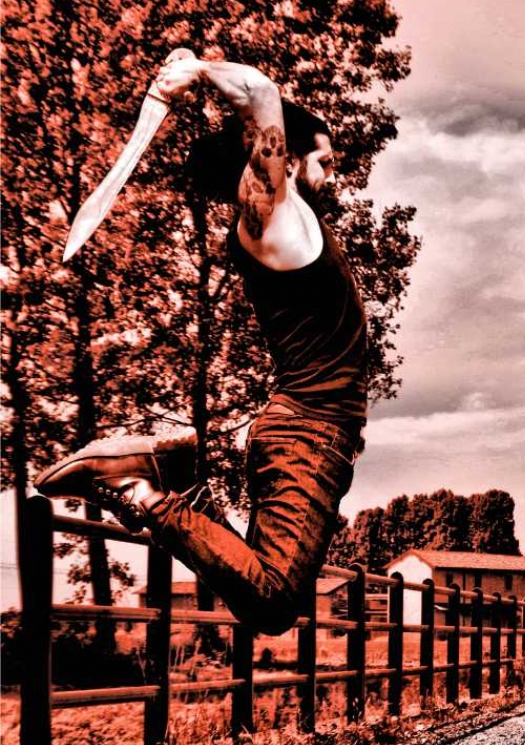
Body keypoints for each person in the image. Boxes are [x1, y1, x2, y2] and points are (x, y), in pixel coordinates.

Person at [36, 54, 367, 636]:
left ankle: (172, 479)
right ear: (287, 158)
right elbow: (261, 91)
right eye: (326, 162)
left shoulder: (294, 222)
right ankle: (144, 490)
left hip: (313, 434)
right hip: (308, 434)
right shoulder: (275, 223)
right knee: (272, 603)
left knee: (259, 581)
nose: (334, 177)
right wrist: (199, 71)